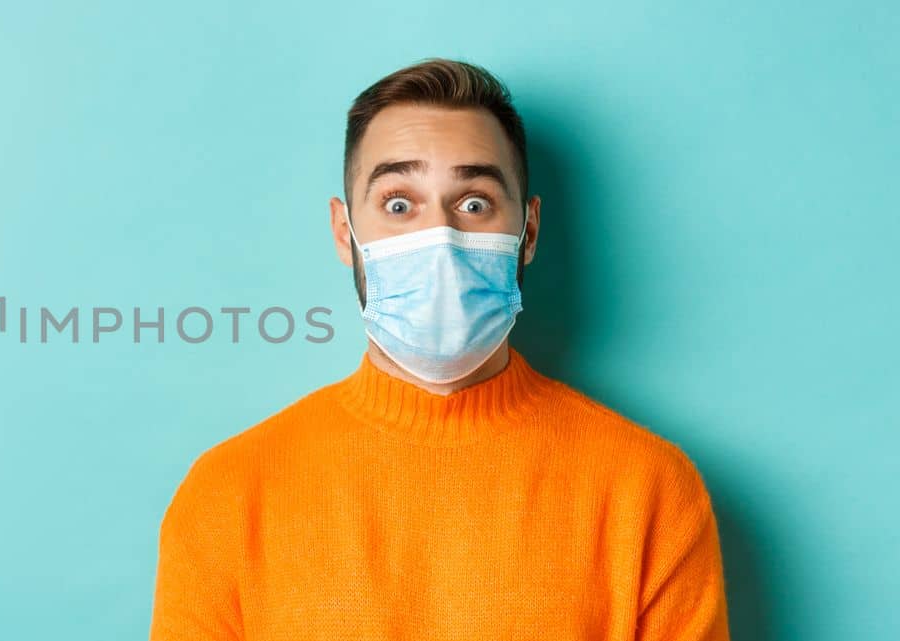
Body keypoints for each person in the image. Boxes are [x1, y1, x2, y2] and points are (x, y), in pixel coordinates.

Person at [148, 58, 730, 640]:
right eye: (399, 204)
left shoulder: (648, 490)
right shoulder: (227, 496)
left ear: (527, 231)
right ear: (343, 232)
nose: (441, 240)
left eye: (474, 203)